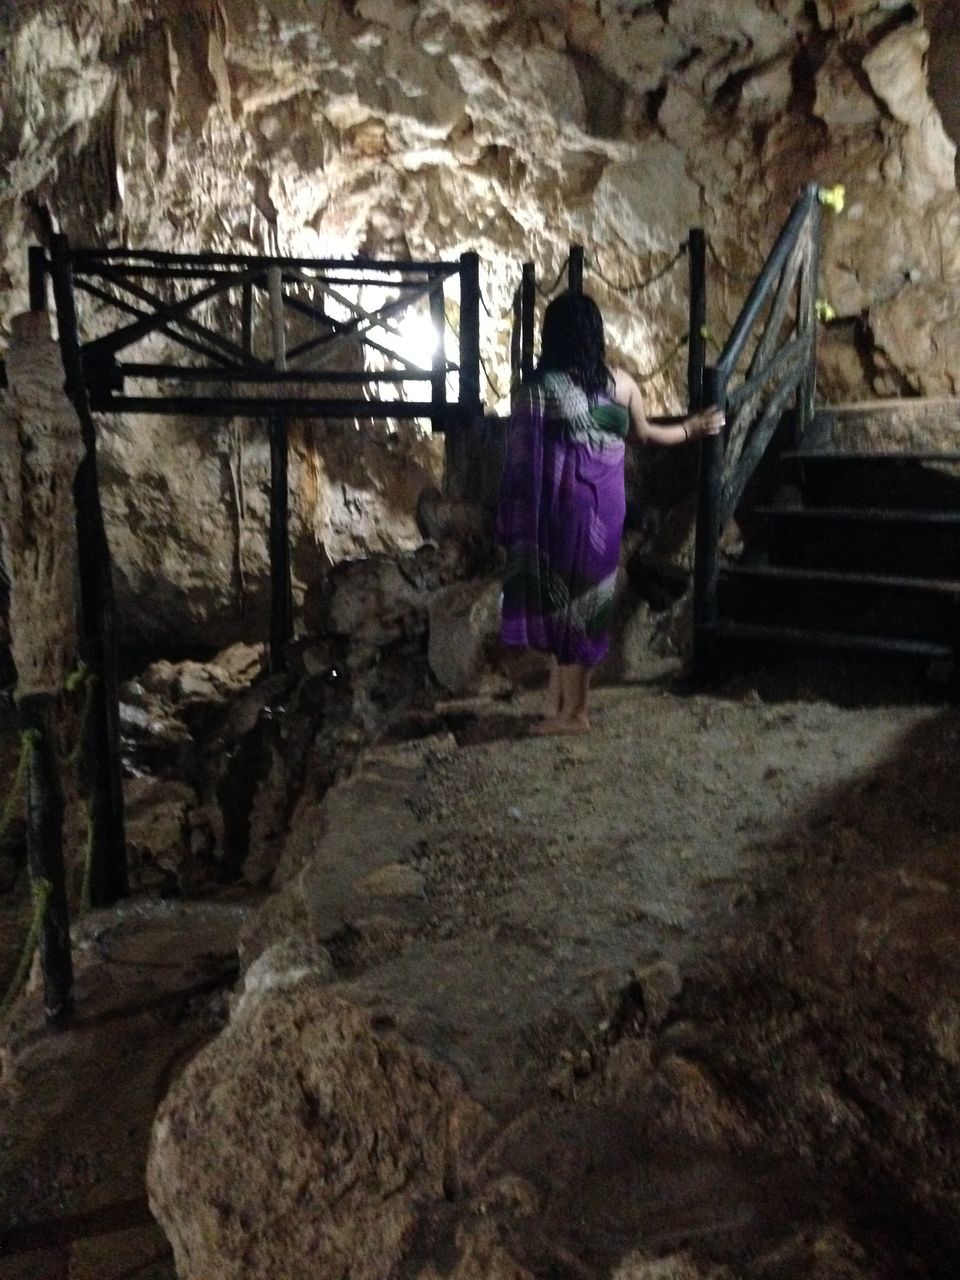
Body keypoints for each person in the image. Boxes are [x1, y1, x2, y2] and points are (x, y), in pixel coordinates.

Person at [496, 292, 723, 735]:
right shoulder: (622, 385)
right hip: (602, 507)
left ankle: (575, 714)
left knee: (561, 601)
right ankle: (560, 702)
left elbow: (521, 459)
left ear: (551, 336)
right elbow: (646, 435)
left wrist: (513, 514)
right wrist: (692, 428)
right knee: (586, 602)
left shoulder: (538, 392)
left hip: (558, 510)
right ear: (595, 336)